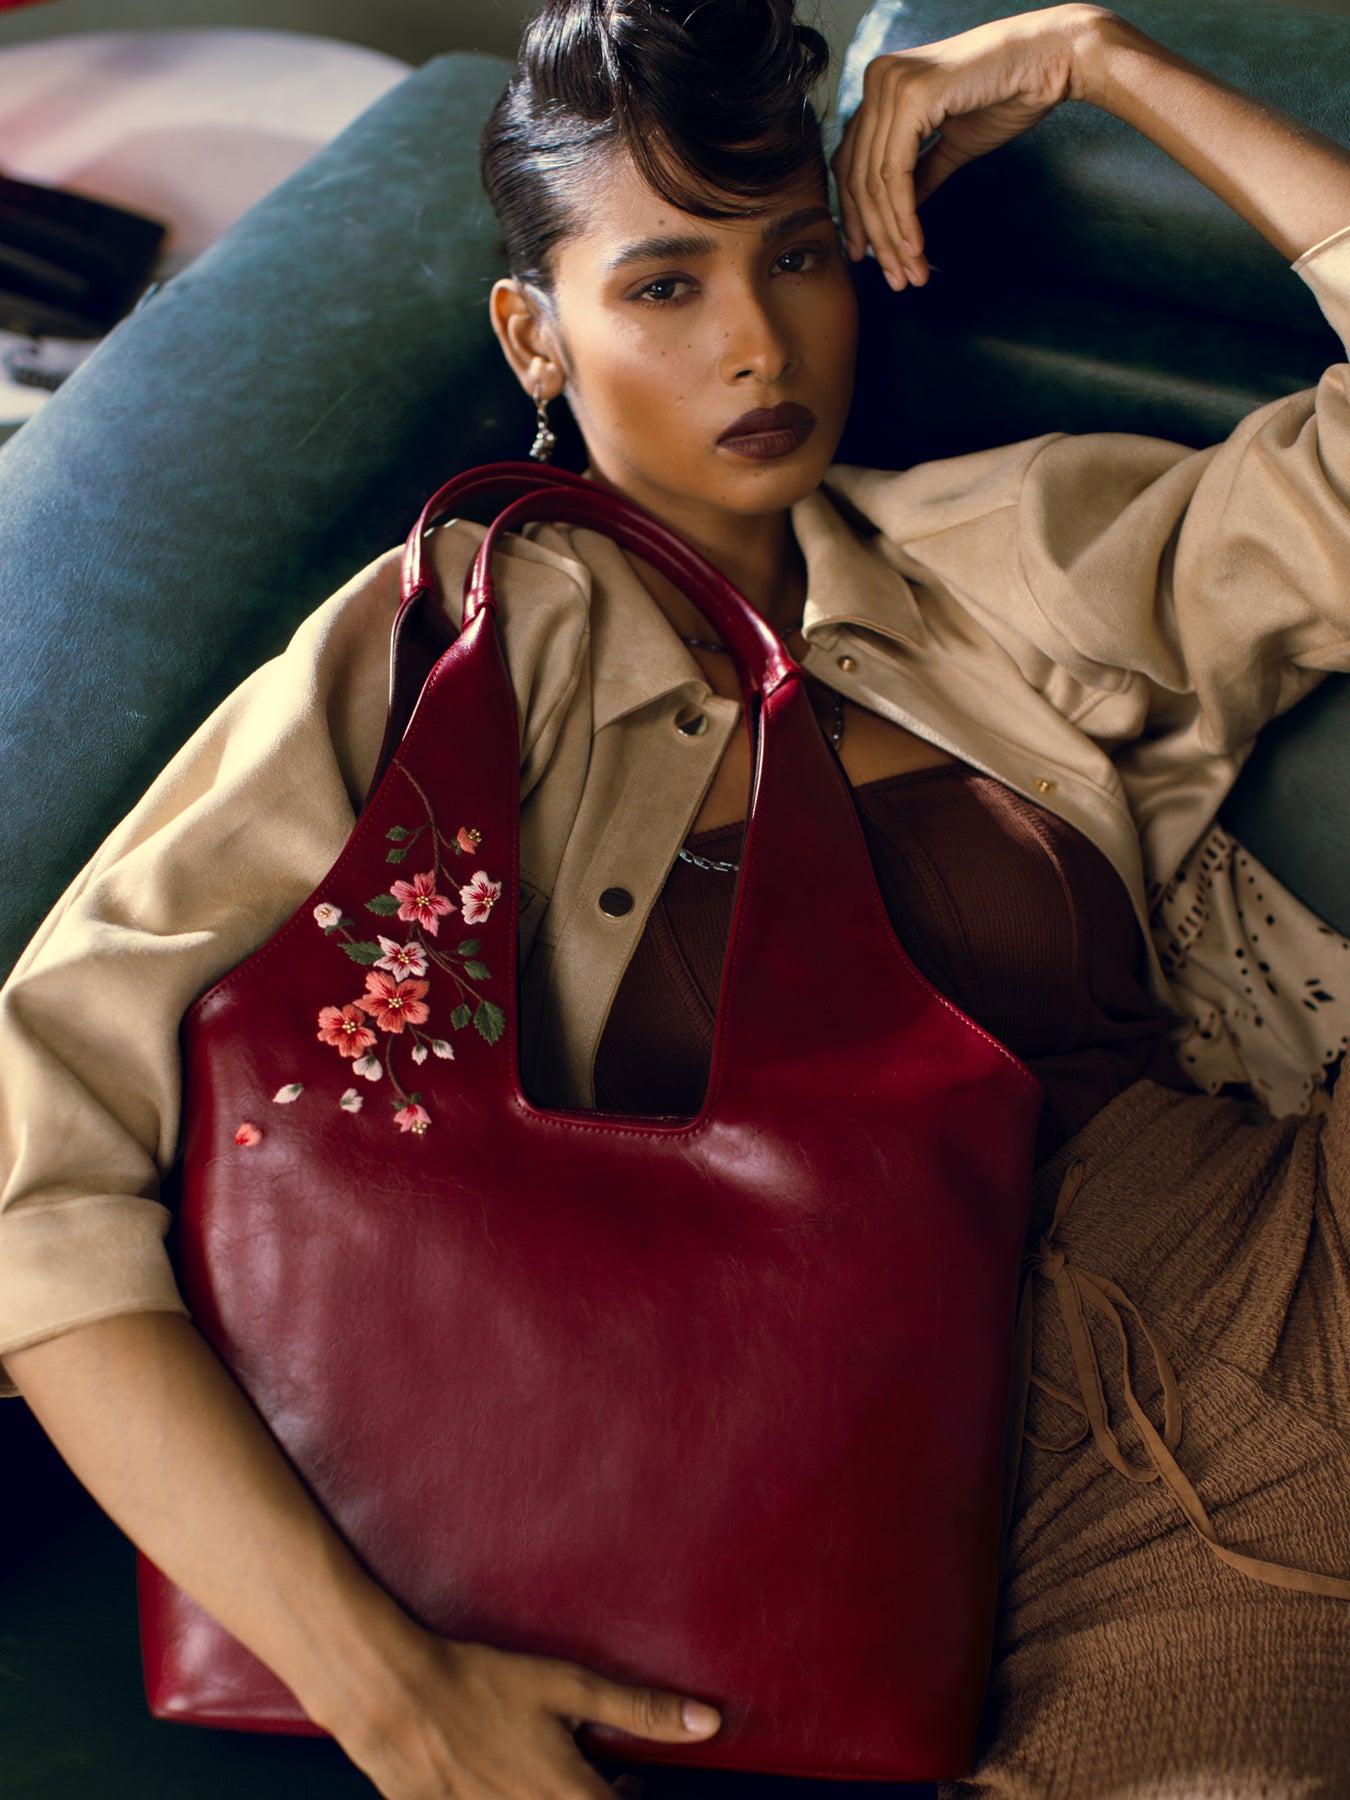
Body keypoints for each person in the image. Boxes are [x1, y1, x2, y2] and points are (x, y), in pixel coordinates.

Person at [3, 1, 1350, 1795]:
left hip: (1267, 1266)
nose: (756, 343)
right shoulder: (442, 656)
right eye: (662, 284)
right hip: (887, 1523)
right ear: (532, 335)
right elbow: (38, 1171)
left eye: (794, 256)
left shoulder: (1010, 554)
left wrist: (1110, 62)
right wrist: (390, 1693)